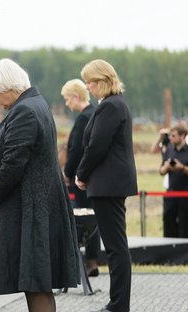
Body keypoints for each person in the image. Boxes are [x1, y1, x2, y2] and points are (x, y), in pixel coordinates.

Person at [0, 58, 79, 312]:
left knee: (36, 285)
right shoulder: (35, 104)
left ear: (6, 85)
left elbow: (12, 164)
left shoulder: (24, 111)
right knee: (37, 285)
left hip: (32, 210)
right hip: (37, 206)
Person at [75, 59, 138, 312]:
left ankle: (118, 304)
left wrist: (81, 173)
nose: (87, 86)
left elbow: (96, 146)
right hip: (110, 183)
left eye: (90, 81)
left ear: (102, 80)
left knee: (115, 248)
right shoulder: (114, 104)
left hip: (107, 184)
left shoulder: (110, 106)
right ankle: (118, 302)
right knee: (116, 246)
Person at [61, 79, 101, 277]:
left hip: (81, 179)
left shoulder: (83, 118)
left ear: (76, 97)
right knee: (94, 219)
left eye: (67, 99)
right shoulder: (94, 113)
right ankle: (92, 261)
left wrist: (68, 174)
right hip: (94, 177)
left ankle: (88, 262)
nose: (67, 104)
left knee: (84, 219)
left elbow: (75, 150)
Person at [159, 125, 188, 238]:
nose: (170, 138)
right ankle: (169, 250)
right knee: (168, 221)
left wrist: (182, 168)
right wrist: (165, 168)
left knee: (184, 224)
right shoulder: (169, 151)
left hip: (185, 196)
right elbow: (161, 171)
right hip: (170, 194)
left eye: (174, 135)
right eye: (170, 135)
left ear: (182, 136)